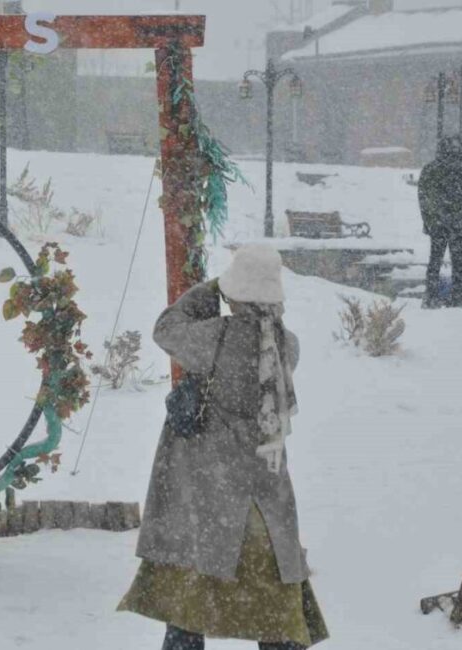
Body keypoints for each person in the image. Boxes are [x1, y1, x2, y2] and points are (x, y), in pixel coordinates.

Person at [118, 244, 328, 650]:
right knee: (276, 614)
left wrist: (211, 287)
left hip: (210, 503)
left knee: (188, 604)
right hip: (267, 506)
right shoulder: (287, 345)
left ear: (236, 292)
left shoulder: (215, 337)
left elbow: (166, 327)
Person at [418, 135, 462, 308]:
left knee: (435, 260)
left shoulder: (430, 169)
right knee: (459, 263)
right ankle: (458, 297)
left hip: (438, 223)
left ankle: (431, 297)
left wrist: (427, 221)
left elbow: (423, 199)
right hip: (458, 223)